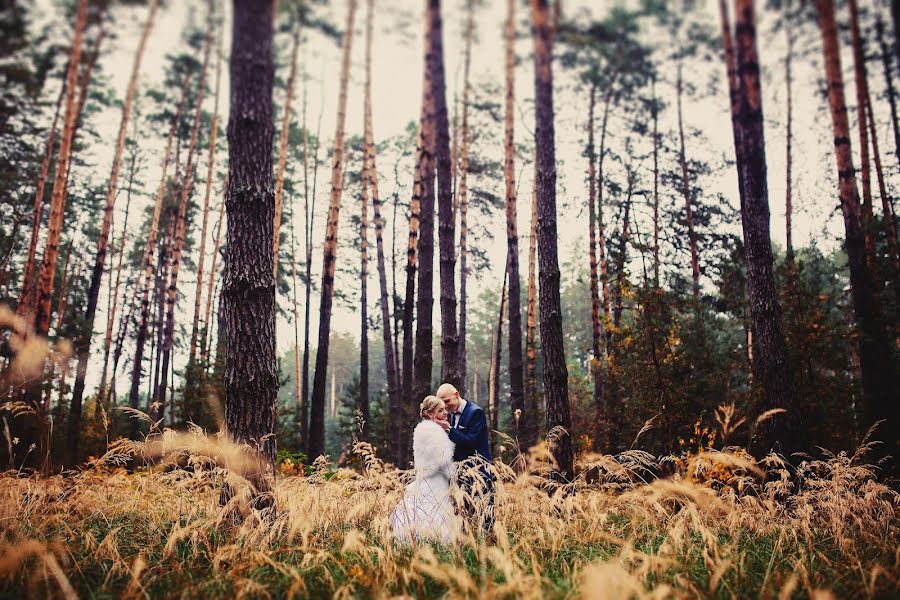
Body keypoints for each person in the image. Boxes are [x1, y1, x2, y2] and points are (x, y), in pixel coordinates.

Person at [389, 395, 460, 544]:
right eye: (441, 410)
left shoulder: (427, 429)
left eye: (445, 409)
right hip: (434, 479)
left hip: (432, 478)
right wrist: (453, 473)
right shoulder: (431, 432)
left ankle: (428, 543)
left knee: (431, 511)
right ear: (430, 414)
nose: (445, 413)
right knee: (432, 512)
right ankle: (433, 543)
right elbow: (441, 459)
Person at [435, 382, 495, 536]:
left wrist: (449, 429)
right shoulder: (447, 415)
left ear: (457, 394)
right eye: (442, 403)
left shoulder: (475, 413)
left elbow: (471, 441)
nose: (446, 406)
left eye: (447, 401)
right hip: (459, 475)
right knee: (463, 517)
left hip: (479, 473)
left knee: (484, 518)